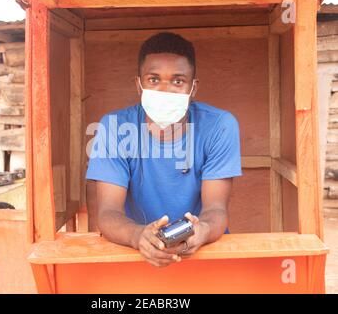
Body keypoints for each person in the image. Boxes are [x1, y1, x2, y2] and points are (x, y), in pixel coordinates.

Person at [86, 32, 242, 267]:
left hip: (205, 254)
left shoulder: (219, 126)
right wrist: (138, 236)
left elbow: (216, 209)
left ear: (193, 88)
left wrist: (203, 230)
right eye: (154, 80)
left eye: (178, 81)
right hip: (135, 255)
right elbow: (108, 214)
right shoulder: (113, 127)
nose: (165, 90)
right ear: (139, 85)